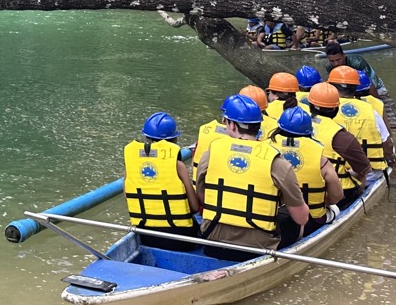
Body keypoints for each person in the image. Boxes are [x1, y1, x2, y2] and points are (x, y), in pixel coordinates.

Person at [195, 93, 309, 260]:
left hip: (213, 241)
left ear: (232, 125)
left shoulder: (210, 153)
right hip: (258, 248)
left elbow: (203, 195)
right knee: (294, 214)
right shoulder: (277, 162)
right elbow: (301, 218)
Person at [123, 112, 202, 251]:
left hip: (147, 236)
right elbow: (195, 207)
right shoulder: (178, 166)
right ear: (174, 140)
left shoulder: (131, 165)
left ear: (146, 138)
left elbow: (128, 199)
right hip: (180, 240)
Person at [267, 106, 343, 237]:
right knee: (336, 208)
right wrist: (321, 201)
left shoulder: (266, 150)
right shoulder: (320, 158)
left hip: (272, 219)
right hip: (312, 220)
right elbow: (337, 195)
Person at [306, 81, 373, 207]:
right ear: (337, 108)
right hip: (336, 193)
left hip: (301, 188)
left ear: (310, 106)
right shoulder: (341, 136)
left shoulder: (294, 129)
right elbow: (364, 168)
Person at [328, 65, 394, 175]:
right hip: (369, 172)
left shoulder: (327, 111)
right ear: (355, 88)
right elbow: (388, 144)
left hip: (335, 171)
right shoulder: (370, 110)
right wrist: (389, 155)